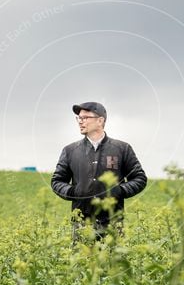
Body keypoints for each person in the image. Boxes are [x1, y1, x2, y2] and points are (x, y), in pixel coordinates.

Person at [51, 102, 147, 241]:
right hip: (81, 223)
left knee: (112, 262)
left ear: (100, 120)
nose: (80, 121)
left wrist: (120, 190)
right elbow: (56, 181)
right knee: (82, 262)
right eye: (79, 118)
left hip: (113, 223)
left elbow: (140, 178)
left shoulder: (122, 149)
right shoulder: (70, 151)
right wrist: (73, 192)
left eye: (85, 118)